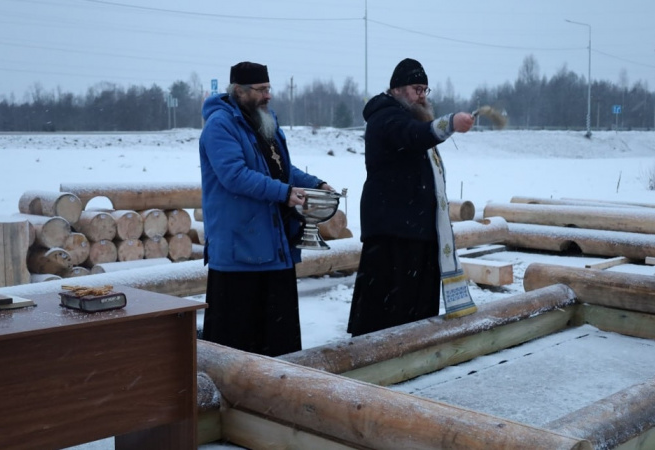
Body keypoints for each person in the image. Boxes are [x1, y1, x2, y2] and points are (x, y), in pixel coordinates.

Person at [199, 61, 333, 356]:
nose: (267, 95)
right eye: (260, 90)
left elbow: (281, 169)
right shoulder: (220, 126)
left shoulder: (264, 119)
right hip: (239, 252)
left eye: (268, 88)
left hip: (274, 247)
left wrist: (316, 184)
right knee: (236, 348)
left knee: (277, 344)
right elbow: (235, 175)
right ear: (239, 91)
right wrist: (284, 193)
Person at [347, 58, 476, 337]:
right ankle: (380, 352)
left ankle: (415, 347)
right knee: (389, 308)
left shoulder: (410, 116)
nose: (421, 95)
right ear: (396, 89)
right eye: (416, 88)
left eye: (425, 90)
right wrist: (449, 123)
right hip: (392, 230)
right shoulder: (386, 118)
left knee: (415, 305)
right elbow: (413, 136)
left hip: (415, 227)